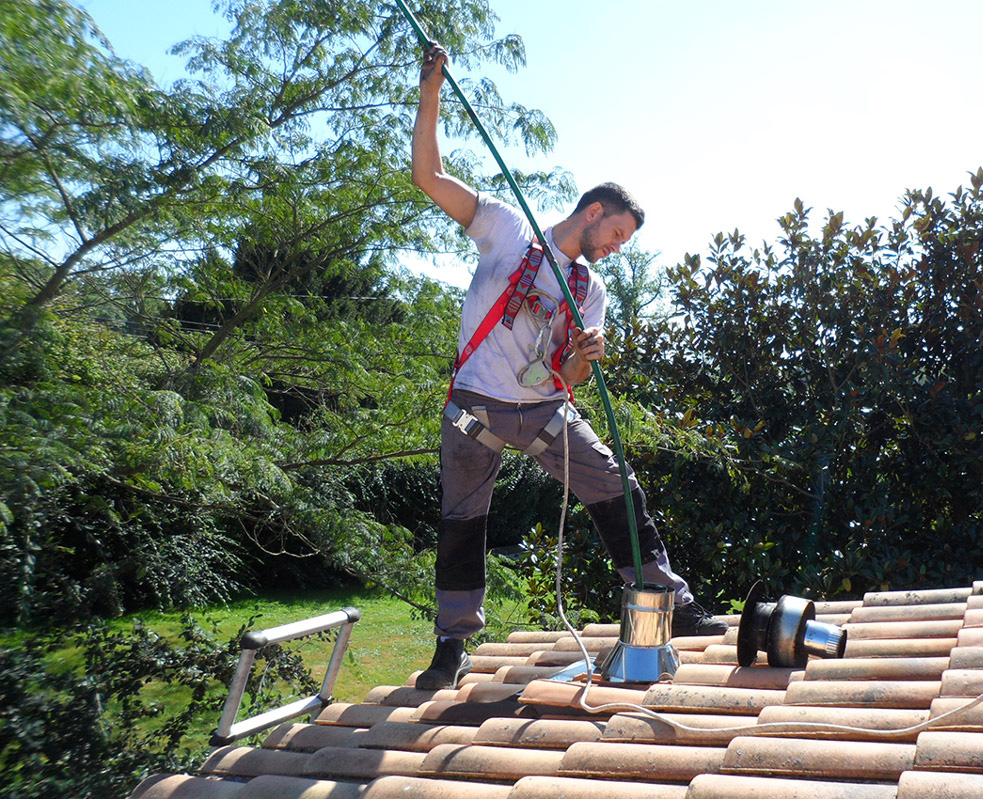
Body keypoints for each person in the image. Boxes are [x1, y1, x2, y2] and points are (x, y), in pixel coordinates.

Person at [412, 44, 727, 690]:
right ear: (592, 212)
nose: (615, 249)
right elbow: (427, 176)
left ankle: (668, 598)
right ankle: (451, 645)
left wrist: (585, 358)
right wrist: (431, 89)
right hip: (475, 405)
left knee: (612, 482)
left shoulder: (591, 292)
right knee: (461, 520)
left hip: (543, 410)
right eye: (616, 235)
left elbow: (574, 381)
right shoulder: (503, 228)